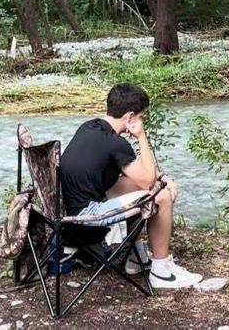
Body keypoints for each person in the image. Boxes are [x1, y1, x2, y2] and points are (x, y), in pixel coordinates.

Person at [61, 82, 202, 288]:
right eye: (141, 116)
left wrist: (162, 178)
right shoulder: (115, 143)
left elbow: (137, 176)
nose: (141, 120)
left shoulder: (90, 127)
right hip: (86, 219)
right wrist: (141, 137)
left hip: (70, 214)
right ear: (130, 117)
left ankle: (137, 258)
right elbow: (148, 180)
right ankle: (161, 272)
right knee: (160, 197)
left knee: (139, 187)